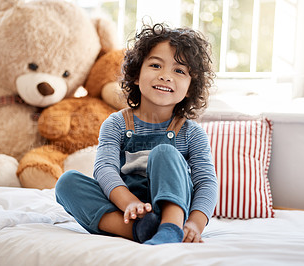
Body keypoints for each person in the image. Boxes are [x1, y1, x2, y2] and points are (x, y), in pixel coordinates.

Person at [55, 23, 218, 245]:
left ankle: (171, 227)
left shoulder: (191, 133)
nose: (166, 76)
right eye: (155, 65)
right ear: (136, 75)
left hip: (176, 207)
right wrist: (129, 203)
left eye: (179, 71)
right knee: (66, 183)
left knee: (164, 153)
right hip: (128, 209)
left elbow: (206, 183)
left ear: (190, 87)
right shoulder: (116, 123)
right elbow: (104, 169)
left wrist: (194, 225)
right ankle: (139, 230)